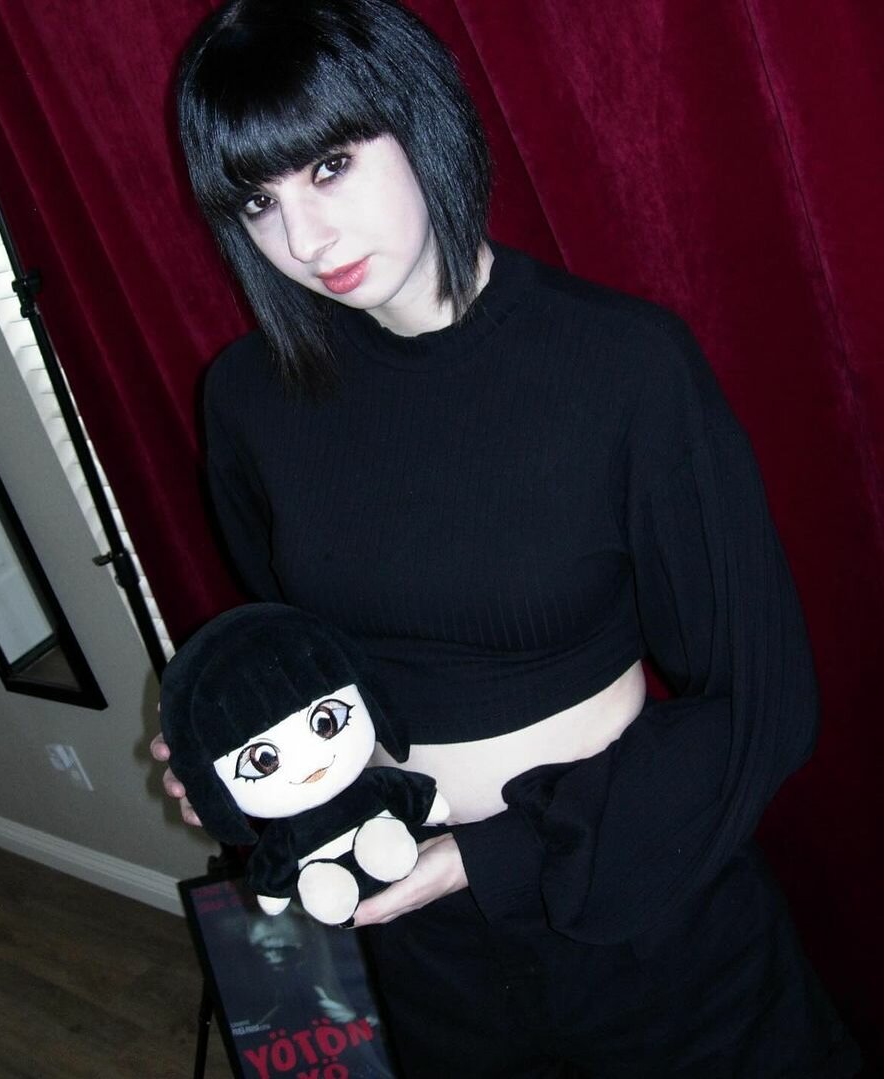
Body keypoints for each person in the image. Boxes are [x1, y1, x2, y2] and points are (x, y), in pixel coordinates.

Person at [151, 0, 862, 1074]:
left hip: (632, 906)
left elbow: (763, 704)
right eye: (259, 200)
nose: (304, 240)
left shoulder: (622, 369)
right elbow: (306, 650)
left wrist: (494, 854)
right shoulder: (250, 399)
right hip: (419, 933)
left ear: (418, 116)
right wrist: (246, 751)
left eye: (331, 167)